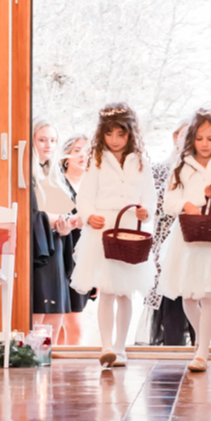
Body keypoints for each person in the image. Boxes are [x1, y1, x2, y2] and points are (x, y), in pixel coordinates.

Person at [158, 110, 211, 373]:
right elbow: (168, 202)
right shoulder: (181, 167)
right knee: (188, 297)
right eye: (199, 138)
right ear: (190, 139)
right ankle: (202, 342)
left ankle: (202, 351)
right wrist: (187, 204)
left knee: (208, 296)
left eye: (210, 138)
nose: (205, 144)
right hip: (187, 239)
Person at [71, 102, 154, 369]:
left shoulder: (141, 162)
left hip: (130, 230)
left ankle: (120, 347)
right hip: (103, 230)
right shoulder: (96, 161)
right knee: (106, 290)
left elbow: (150, 197)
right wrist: (89, 215)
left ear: (131, 133)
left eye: (121, 134)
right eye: (109, 134)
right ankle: (106, 346)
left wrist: (145, 212)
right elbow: (84, 197)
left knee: (124, 293)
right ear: (102, 134)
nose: (115, 140)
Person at [147, 118, 194, 348]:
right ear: (176, 137)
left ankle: (199, 352)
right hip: (165, 247)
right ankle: (172, 354)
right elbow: (153, 206)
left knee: (196, 299)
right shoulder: (159, 170)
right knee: (170, 305)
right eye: (184, 134)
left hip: (195, 245)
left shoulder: (204, 173)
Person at [30, 120, 72, 321]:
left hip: (56, 246)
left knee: (57, 315)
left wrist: (65, 228)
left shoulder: (55, 175)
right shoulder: (25, 176)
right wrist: (52, 219)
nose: (49, 145)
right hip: (38, 251)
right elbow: (28, 216)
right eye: (42, 140)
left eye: (53, 140)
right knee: (39, 314)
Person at [60, 134, 90, 312]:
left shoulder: (93, 188)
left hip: (84, 258)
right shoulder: (57, 184)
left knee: (75, 317)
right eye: (77, 151)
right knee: (69, 320)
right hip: (60, 254)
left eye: (87, 152)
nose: (82, 156)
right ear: (66, 156)